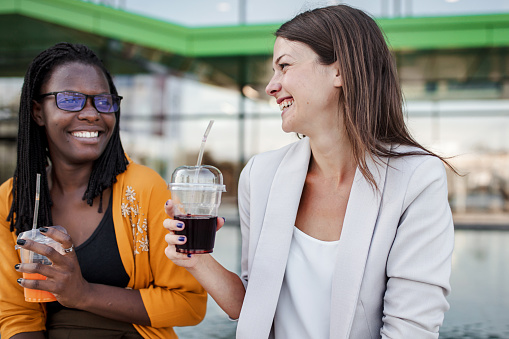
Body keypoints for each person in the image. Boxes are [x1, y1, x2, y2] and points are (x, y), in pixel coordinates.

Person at [164, 4, 457, 339]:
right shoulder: (260, 176)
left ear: (340, 71)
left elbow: (411, 331)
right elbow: (254, 310)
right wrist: (197, 260)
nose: (271, 87)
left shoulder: (416, 179)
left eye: (284, 66)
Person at [0, 42, 207, 339]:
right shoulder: (13, 199)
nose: (91, 114)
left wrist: (82, 294)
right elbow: (17, 316)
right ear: (37, 112)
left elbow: (190, 304)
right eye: (70, 100)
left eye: (103, 101)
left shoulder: (144, 188)